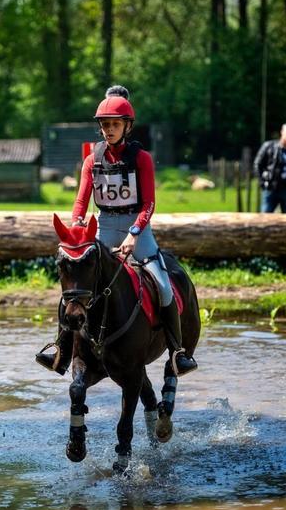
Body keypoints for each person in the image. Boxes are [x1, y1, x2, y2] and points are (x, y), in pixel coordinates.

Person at [36, 85, 198, 378]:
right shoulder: (91, 159)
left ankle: (177, 352)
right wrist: (77, 226)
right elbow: (81, 201)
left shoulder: (141, 158)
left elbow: (148, 203)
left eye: (114, 124)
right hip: (105, 227)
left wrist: (134, 233)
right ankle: (61, 351)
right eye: (105, 125)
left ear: (127, 126)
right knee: (75, 288)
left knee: (162, 285)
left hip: (138, 228)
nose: (109, 130)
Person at [253, 121, 286, 213]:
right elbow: (257, 164)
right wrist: (262, 182)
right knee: (265, 218)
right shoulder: (269, 146)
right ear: (282, 131)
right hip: (271, 188)